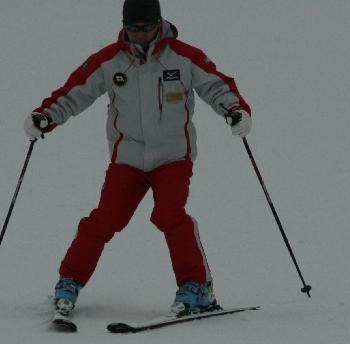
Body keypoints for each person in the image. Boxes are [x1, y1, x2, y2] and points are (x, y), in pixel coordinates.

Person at [24, 0, 252, 320]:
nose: (140, 35)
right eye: (133, 28)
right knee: (105, 219)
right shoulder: (110, 60)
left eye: (146, 28)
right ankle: (69, 281)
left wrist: (234, 111)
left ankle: (198, 287)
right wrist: (46, 116)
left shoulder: (184, 57)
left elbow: (217, 85)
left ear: (159, 24)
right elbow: (75, 91)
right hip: (128, 159)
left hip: (173, 157)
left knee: (170, 215)